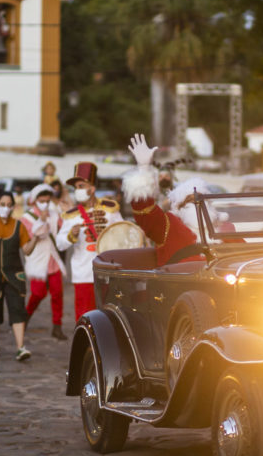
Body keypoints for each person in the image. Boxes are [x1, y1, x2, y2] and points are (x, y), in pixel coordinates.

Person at [122, 134, 209, 266]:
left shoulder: (221, 227)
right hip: (180, 283)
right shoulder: (171, 225)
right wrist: (143, 168)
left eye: (200, 201)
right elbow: (145, 212)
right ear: (179, 206)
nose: (196, 205)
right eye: (189, 201)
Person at [0, 190, 41, 360]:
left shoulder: (19, 226)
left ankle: (21, 347)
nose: (5, 208)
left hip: (14, 275)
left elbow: (26, 250)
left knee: (18, 310)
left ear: (13, 207)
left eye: (8, 205)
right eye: (2, 204)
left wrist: (35, 238)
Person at [56, 162, 122, 321]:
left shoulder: (110, 209)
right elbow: (60, 243)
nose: (77, 190)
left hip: (109, 272)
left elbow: (124, 232)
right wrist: (71, 236)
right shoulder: (72, 215)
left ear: (91, 188)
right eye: (76, 187)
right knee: (86, 318)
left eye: (80, 186)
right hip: (84, 273)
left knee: (110, 316)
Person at [20, 184, 66, 339]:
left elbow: (62, 229)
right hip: (37, 259)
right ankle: (26, 316)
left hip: (53, 258)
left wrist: (66, 213)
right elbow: (30, 236)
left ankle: (57, 326)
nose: (45, 203)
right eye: (41, 200)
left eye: (47, 200)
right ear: (34, 200)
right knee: (38, 293)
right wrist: (41, 221)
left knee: (57, 293)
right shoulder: (26, 218)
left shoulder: (54, 214)